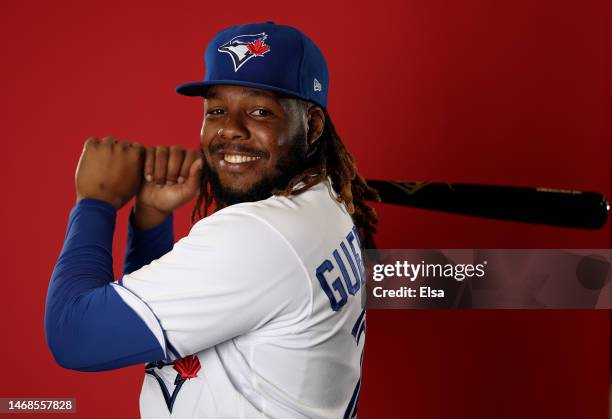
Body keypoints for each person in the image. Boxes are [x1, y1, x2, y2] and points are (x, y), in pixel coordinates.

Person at [45, 21, 379, 418]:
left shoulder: (259, 236)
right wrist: (151, 219)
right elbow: (158, 332)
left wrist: (95, 201)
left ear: (313, 125)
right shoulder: (327, 200)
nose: (230, 130)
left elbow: (75, 336)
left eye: (259, 111)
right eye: (217, 110)